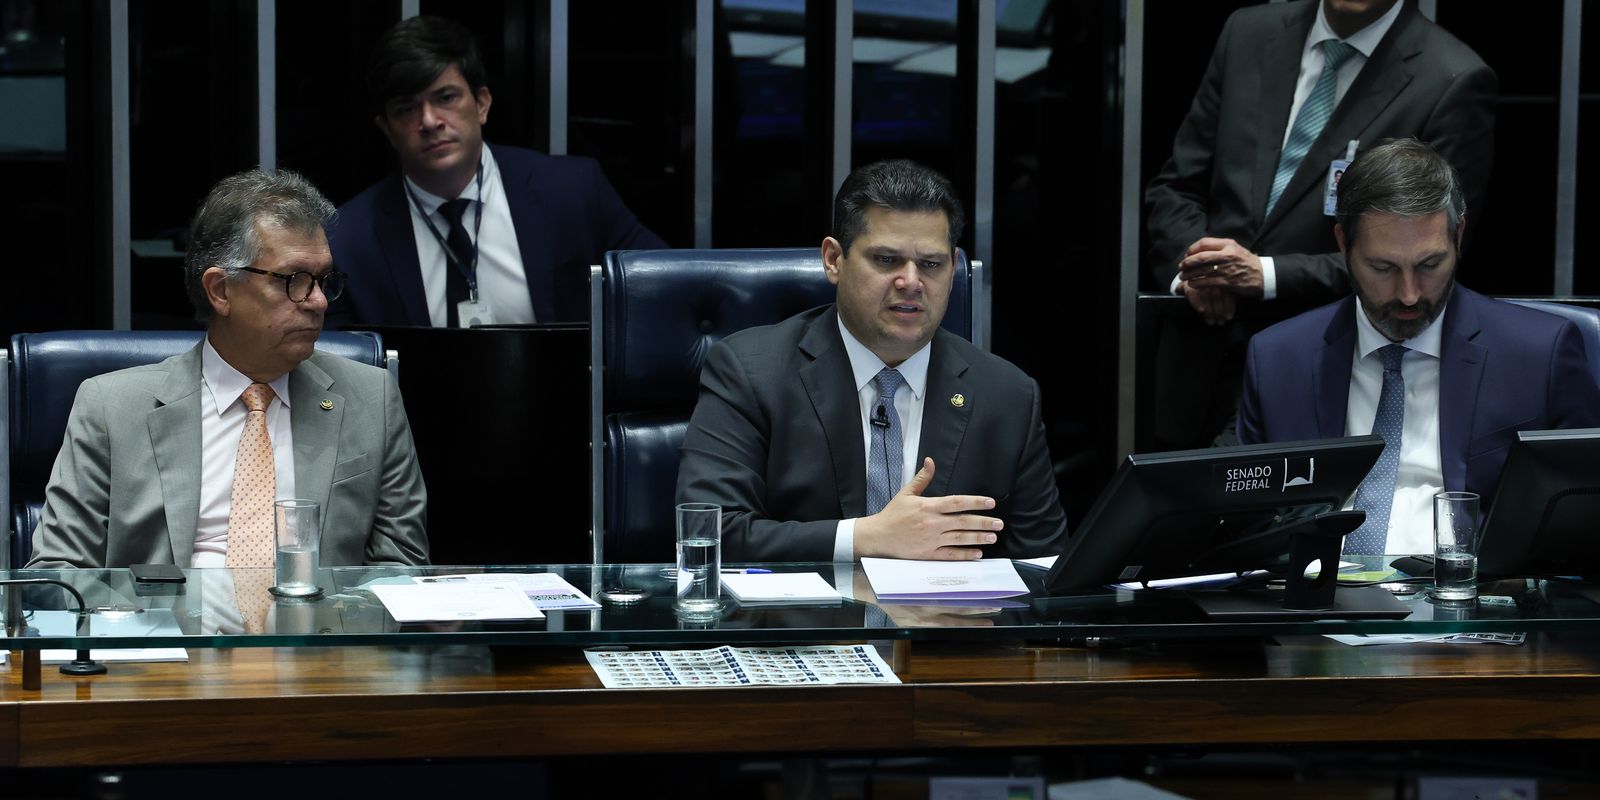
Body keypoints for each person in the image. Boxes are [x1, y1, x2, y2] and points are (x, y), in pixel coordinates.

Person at [29, 169, 431, 569]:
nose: (319, 302)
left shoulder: (371, 397)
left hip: (317, 610)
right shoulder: (111, 408)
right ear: (220, 290)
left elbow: (401, 565)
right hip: (161, 611)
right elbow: (58, 572)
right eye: (295, 280)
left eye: (323, 280)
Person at [675, 160, 1068, 563]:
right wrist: (863, 537)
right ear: (834, 259)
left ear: (953, 268)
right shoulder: (751, 371)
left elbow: (1046, 567)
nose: (911, 282)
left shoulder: (1007, 395)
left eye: (931, 264)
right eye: (886, 260)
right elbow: (711, 532)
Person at [1238, 139, 1600, 556]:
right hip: (1318, 589)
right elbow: (1249, 523)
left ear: (1458, 235)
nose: (1409, 294)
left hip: (1470, 589)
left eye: (1429, 265)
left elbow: (1582, 517)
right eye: (1383, 268)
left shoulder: (1539, 354)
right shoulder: (1278, 360)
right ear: (1343, 244)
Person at [1146, 0, 1496, 321]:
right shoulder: (1247, 33)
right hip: (1202, 330)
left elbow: (1432, 253)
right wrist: (1196, 271)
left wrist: (1268, 275)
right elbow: (1176, 187)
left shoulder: (1450, 78)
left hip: (1326, 342)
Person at [326, 15, 666, 329]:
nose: (429, 121)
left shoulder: (572, 191)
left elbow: (665, 282)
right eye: (406, 109)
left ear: (482, 104)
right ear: (387, 129)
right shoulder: (350, 240)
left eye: (445, 98)